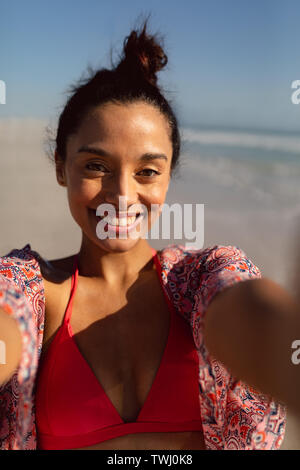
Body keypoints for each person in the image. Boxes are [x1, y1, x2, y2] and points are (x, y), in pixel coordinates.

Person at [0, 19, 299, 451]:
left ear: (168, 177)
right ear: (61, 167)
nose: (123, 194)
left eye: (147, 172)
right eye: (96, 166)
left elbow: (246, 311)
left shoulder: (201, 282)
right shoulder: (32, 292)